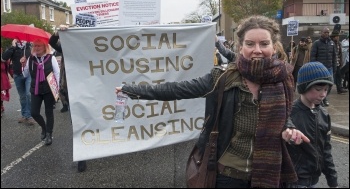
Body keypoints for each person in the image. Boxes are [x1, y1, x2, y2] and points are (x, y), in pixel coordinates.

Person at [116, 15, 309, 188]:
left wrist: (288, 129)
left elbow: (285, 116)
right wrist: (132, 90)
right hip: (227, 177)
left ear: (273, 47)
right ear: (240, 47)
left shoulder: (284, 78)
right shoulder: (222, 77)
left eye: (264, 44)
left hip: (270, 173)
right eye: (250, 44)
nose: (257, 50)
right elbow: (176, 89)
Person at [287, 62, 338, 188]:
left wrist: (333, 181)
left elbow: (326, 150)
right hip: (294, 180)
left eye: (326, 89)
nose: (323, 94)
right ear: (304, 87)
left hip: (313, 180)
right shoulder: (289, 113)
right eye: (318, 89)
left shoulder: (324, 115)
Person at [51, 25, 87, 172]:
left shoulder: (91, 47)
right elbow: (52, 42)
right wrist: (58, 32)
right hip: (72, 90)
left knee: (89, 121)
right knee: (77, 124)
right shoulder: (66, 47)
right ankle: (82, 157)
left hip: (90, 90)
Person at [22, 38, 60, 145]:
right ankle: (44, 128)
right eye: (35, 46)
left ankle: (49, 134)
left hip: (48, 90)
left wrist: (57, 90)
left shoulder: (50, 58)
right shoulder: (31, 59)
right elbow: (25, 74)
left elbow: (57, 73)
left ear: (44, 47)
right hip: (36, 89)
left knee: (49, 113)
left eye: (39, 46)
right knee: (34, 112)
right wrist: (23, 64)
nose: (37, 48)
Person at [1, 39, 35, 124]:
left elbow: (36, 59)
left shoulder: (29, 47)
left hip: (28, 75)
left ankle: (30, 116)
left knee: (28, 94)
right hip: (17, 75)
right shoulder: (13, 48)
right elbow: (3, 58)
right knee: (22, 96)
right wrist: (12, 47)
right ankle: (24, 115)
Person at [310, 27, 336, 107]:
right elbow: (313, 56)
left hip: (329, 67)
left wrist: (335, 67)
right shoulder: (316, 43)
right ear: (321, 33)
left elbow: (334, 56)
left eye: (328, 32)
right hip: (319, 68)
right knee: (319, 84)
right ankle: (319, 99)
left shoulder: (332, 43)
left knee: (330, 83)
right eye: (325, 32)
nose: (326, 34)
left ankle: (325, 98)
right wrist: (314, 67)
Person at [49, 31, 69, 112]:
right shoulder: (65, 48)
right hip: (67, 72)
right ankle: (65, 104)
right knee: (64, 87)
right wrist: (57, 34)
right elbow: (52, 42)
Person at [1, 48, 12, 117]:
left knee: (2, 94)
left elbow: (9, 67)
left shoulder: (3, 58)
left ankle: (1, 105)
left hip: (2, 79)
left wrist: (13, 75)